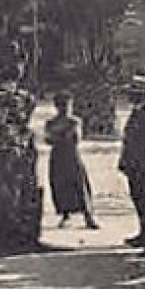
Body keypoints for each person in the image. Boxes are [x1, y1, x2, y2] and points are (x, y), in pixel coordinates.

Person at [44, 91, 98, 229]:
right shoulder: (51, 122)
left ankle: (88, 215)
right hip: (57, 156)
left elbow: (75, 138)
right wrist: (61, 134)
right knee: (59, 185)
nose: (65, 108)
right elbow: (48, 139)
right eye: (61, 105)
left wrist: (59, 135)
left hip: (71, 155)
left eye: (67, 105)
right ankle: (65, 214)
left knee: (80, 184)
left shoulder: (75, 121)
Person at [119, 76, 145, 248]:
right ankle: (144, 232)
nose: (130, 96)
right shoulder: (138, 111)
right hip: (134, 161)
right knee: (138, 197)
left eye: (133, 93)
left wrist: (139, 161)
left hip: (142, 162)